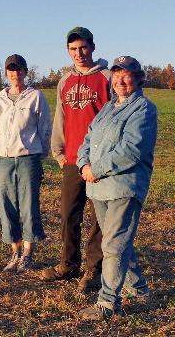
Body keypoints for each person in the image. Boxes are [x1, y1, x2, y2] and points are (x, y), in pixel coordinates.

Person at [76, 55, 156, 320]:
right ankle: (140, 290)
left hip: (124, 187)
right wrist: (83, 164)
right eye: (117, 75)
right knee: (120, 242)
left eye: (127, 75)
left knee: (113, 245)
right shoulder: (108, 108)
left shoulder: (144, 109)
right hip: (99, 188)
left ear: (138, 78)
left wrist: (94, 170)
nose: (121, 80)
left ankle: (108, 303)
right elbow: (88, 138)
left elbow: (130, 151)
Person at [39, 27, 108, 291]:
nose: (78, 54)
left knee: (98, 217)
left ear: (92, 47)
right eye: (73, 50)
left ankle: (94, 269)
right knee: (69, 214)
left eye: (83, 48)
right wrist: (58, 151)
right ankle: (68, 264)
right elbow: (61, 117)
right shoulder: (65, 81)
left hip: (99, 161)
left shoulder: (106, 77)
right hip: (72, 159)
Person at [0, 54, 51, 274]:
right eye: (11, 70)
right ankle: (14, 251)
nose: (15, 74)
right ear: (6, 73)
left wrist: (38, 152)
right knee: (7, 204)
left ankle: (27, 254)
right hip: (4, 159)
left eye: (19, 69)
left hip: (28, 158)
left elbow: (44, 127)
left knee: (28, 204)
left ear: (26, 72)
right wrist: (4, 147)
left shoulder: (35, 96)